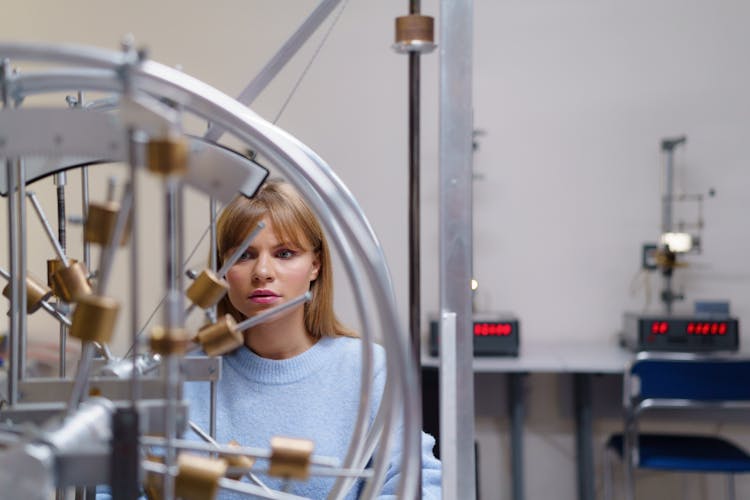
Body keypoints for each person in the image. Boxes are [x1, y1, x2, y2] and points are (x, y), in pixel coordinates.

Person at [184, 179, 442, 499]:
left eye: (285, 253)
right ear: (222, 270)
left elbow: (418, 484)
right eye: (245, 255)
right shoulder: (186, 373)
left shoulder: (368, 370)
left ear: (315, 265)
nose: (262, 271)